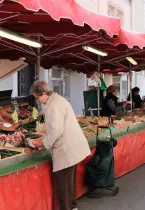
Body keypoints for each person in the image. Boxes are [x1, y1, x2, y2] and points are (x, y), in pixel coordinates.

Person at [29, 81, 91, 210]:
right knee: (69, 185)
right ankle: (72, 207)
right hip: (72, 147)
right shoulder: (58, 100)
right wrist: (45, 138)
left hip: (66, 149)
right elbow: (56, 128)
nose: (38, 100)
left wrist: (43, 143)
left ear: (44, 94)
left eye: (37, 97)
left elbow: (56, 131)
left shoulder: (53, 105)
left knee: (64, 186)